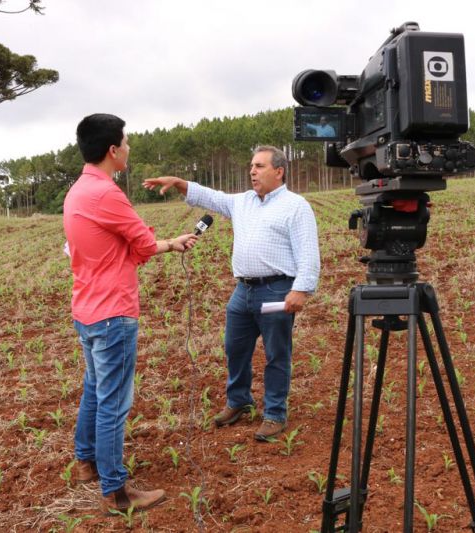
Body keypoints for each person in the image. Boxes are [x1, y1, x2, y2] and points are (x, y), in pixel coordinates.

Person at [63, 113, 198, 512]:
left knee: (94, 388)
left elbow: (110, 247)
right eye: (126, 142)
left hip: (86, 309)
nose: (129, 148)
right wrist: (170, 243)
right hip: (112, 313)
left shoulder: (78, 191)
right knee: (113, 403)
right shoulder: (107, 194)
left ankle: (85, 462)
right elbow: (141, 245)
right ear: (112, 150)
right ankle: (116, 492)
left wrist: (150, 243)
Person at [143, 145, 320, 441]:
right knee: (234, 348)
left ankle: (274, 413)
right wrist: (178, 182)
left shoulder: (295, 205)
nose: (252, 171)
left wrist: (301, 289)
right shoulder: (243, 202)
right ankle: (239, 401)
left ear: (279, 171)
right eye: (252, 165)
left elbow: (308, 252)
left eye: (260, 166)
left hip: (277, 288)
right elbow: (211, 197)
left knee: (277, 354)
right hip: (243, 290)